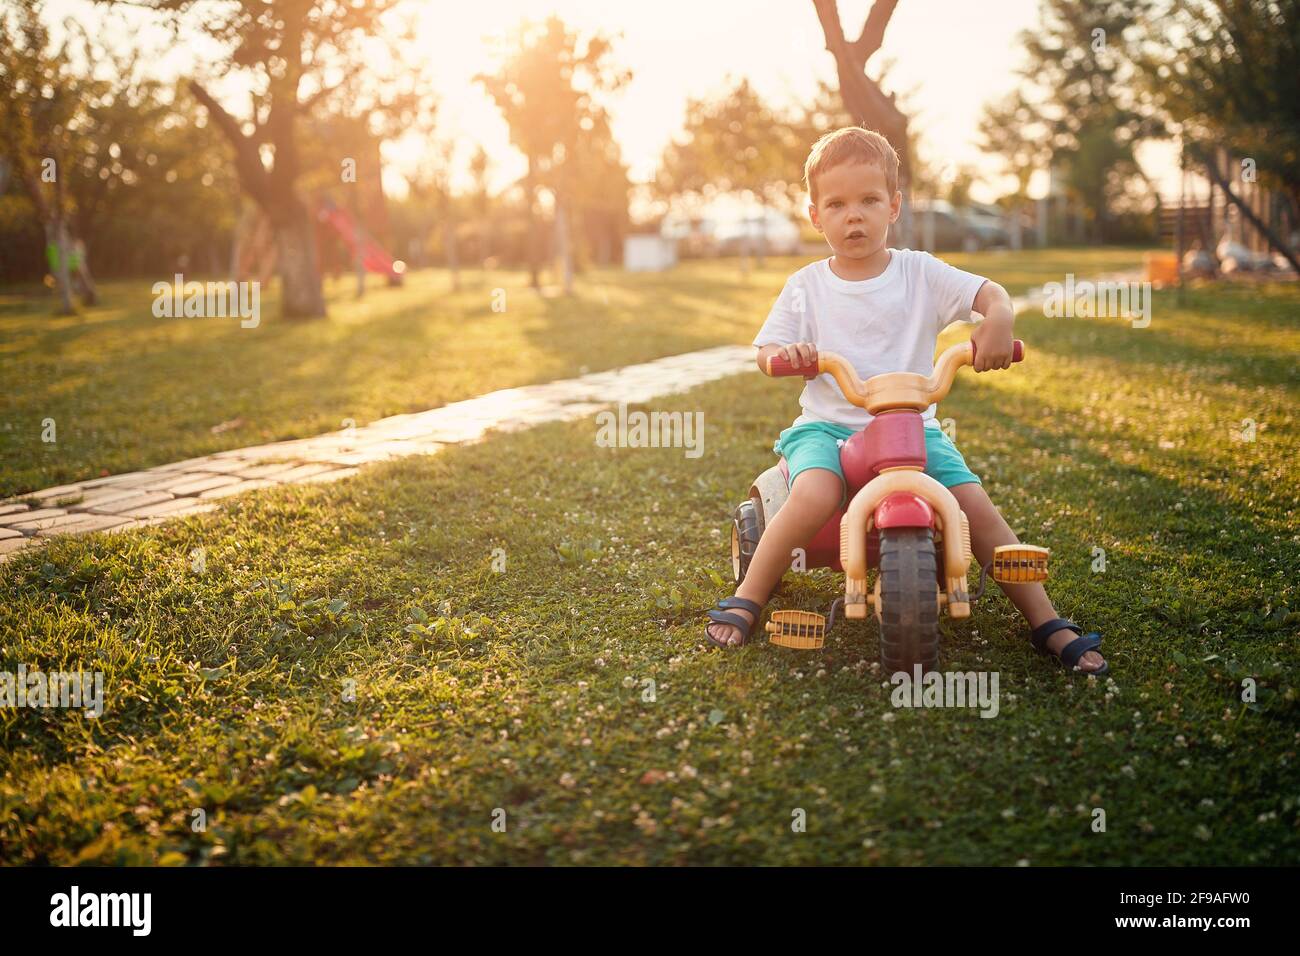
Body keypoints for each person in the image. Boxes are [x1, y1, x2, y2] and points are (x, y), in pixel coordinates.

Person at [703, 127, 1107, 675]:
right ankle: (750, 596)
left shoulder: (919, 272)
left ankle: (1047, 621)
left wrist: (1000, 319)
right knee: (816, 492)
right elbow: (765, 349)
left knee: (974, 506)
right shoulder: (806, 286)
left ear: (893, 205)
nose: (855, 216)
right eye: (837, 204)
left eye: (869, 200)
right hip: (827, 427)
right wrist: (787, 353)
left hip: (912, 430)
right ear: (815, 216)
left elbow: (987, 293)